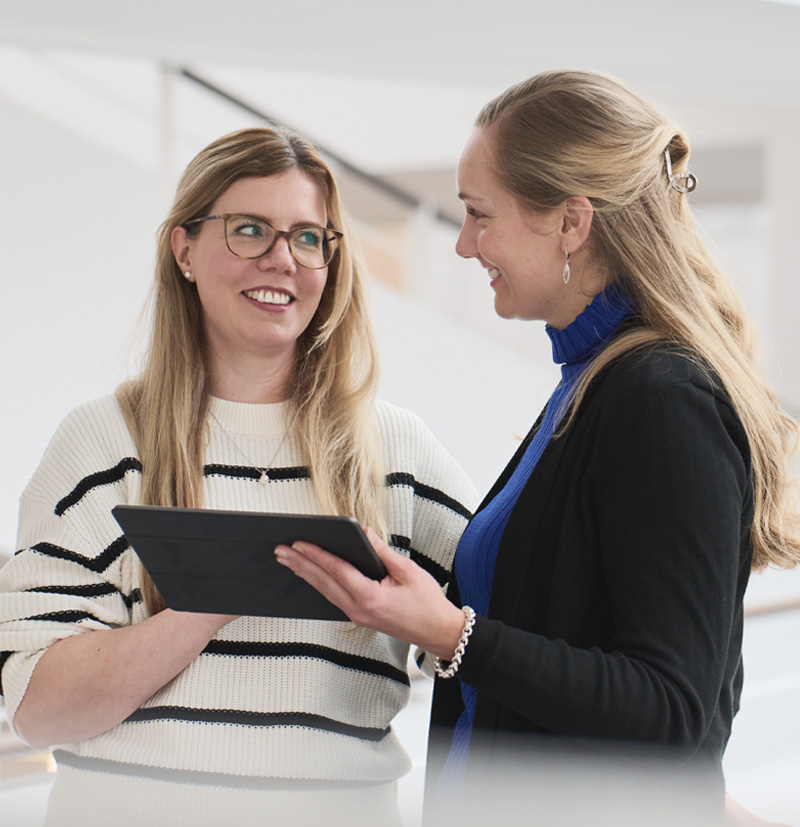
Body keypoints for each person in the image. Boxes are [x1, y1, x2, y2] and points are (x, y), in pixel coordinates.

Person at [275, 70, 800, 825]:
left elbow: (669, 707)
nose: (462, 244)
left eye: (479, 215)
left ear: (571, 222)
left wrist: (453, 634)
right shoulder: (589, 384)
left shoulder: (659, 397)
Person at [0, 126, 476, 826]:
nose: (283, 259)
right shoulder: (101, 442)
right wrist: (217, 591)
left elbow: (497, 639)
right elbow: (37, 710)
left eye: (309, 237)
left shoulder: (395, 452)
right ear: (184, 249)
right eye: (251, 229)